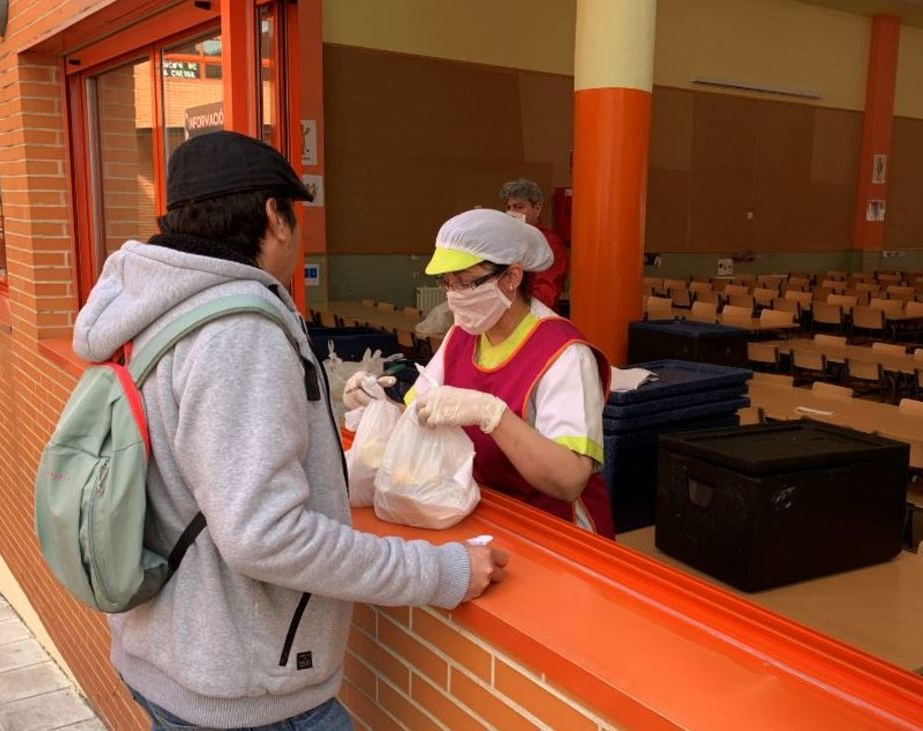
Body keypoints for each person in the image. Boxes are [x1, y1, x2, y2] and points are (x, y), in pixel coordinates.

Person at [72, 131, 506, 731]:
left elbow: (199, 472)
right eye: (294, 214)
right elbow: (263, 535)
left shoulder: (154, 308)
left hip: (173, 652)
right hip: (243, 690)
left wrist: (335, 476)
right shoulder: (238, 330)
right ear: (275, 218)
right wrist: (440, 572)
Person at [344, 209, 615, 537]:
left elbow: (569, 479)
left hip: (557, 531)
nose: (454, 295)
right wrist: (379, 401)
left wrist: (493, 415)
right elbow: (420, 411)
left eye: (466, 282)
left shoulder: (564, 354)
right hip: (490, 512)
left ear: (512, 277)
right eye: (447, 283)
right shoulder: (462, 335)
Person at [500, 178, 568, 309]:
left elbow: (546, 294)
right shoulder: (507, 239)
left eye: (519, 207)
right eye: (509, 207)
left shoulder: (550, 243)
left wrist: (514, 313)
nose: (512, 213)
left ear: (537, 208)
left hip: (533, 318)